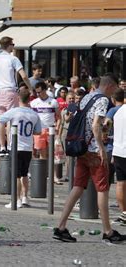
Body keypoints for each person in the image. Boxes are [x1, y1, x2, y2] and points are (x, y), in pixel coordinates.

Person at [53, 74, 126, 243]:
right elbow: (94, 125)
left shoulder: (87, 97)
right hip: (93, 150)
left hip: (82, 148)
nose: (114, 92)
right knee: (103, 189)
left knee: (78, 186)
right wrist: (101, 147)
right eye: (114, 88)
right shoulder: (102, 100)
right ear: (109, 86)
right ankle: (108, 231)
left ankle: (61, 226)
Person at [0, 88, 41, 208]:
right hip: (28, 148)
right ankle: (24, 198)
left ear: (18, 98)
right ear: (29, 99)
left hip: (16, 146)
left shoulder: (14, 111)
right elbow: (38, 131)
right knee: (24, 173)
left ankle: (16, 200)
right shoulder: (34, 114)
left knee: (16, 175)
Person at [0, 36, 32, 156]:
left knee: (1, 119)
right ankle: (9, 145)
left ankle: (2, 147)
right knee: (11, 119)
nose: (14, 46)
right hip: (10, 90)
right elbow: (23, 76)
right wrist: (30, 88)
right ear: (9, 45)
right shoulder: (13, 59)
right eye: (13, 44)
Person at [107, 88, 125, 223]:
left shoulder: (118, 112)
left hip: (118, 150)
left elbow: (106, 126)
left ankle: (123, 212)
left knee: (120, 183)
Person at [30, 82, 59, 161]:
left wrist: (57, 127)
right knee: (42, 154)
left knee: (52, 154)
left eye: (39, 92)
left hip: (51, 130)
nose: (38, 94)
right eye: (37, 92)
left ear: (45, 90)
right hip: (39, 131)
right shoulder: (33, 103)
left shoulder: (53, 101)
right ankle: (43, 172)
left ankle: (51, 173)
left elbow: (58, 117)